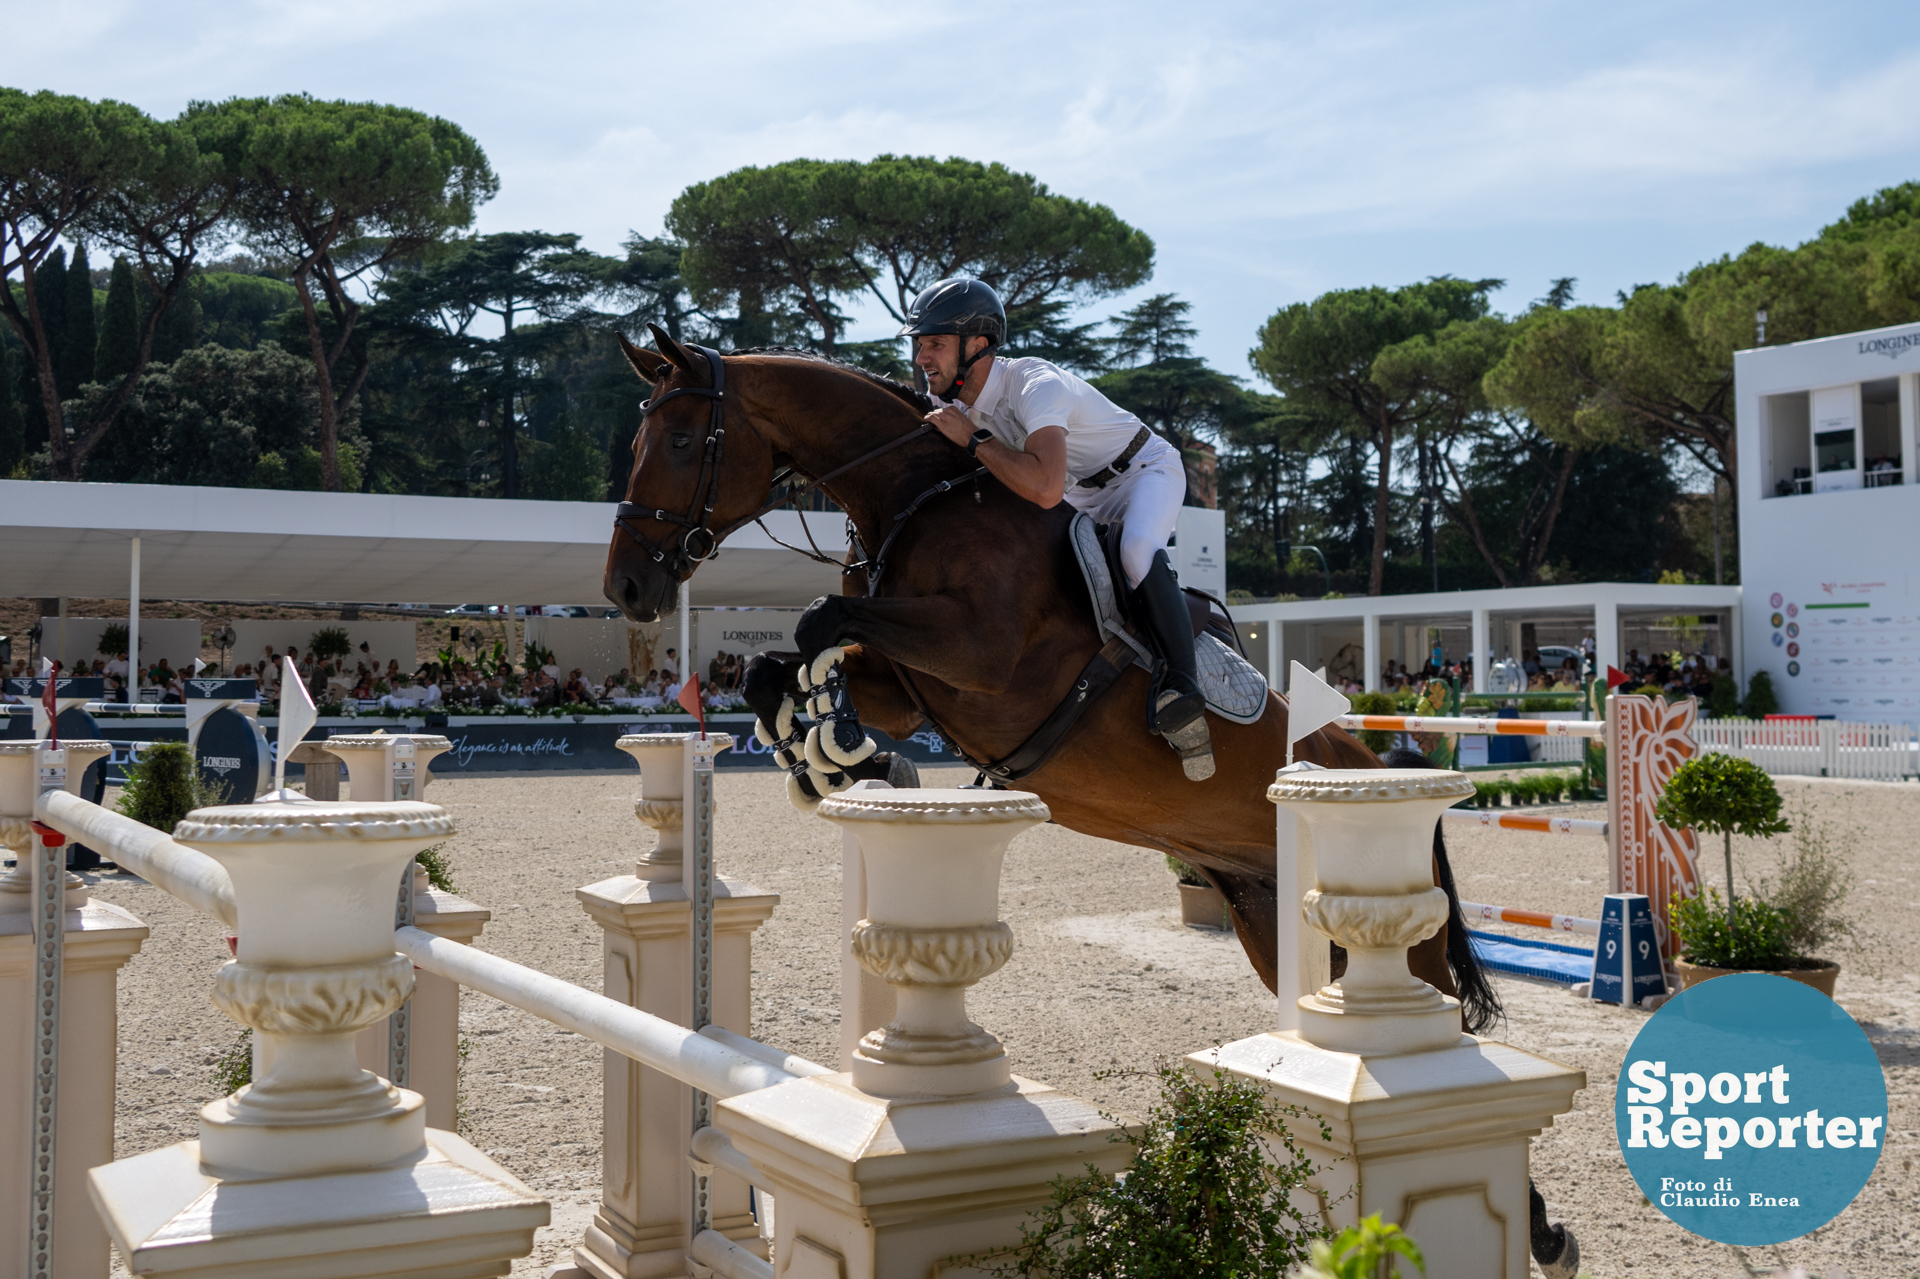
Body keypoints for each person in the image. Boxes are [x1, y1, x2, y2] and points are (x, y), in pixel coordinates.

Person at [903, 277, 1215, 780]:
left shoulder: (1034, 384)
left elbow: (1045, 489)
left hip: (1142, 471)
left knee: (1135, 551)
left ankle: (1184, 685)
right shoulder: (955, 409)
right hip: (1084, 490)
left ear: (977, 346)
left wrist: (973, 438)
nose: (922, 357)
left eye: (934, 344)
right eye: (919, 345)